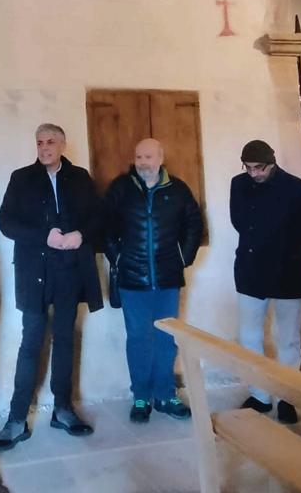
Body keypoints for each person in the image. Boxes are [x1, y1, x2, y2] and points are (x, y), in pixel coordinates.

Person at [0, 124, 104, 451]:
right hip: (35, 273)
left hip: (70, 272)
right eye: (39, 142)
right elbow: (7, 222)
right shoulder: (21, 178)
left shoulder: (81, 178)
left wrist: (81, 235)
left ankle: (63, 410)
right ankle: (15, 420)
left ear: (63, 144)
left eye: (51, 141)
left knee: (66, 340)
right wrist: (45, 236)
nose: (44, 147)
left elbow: (99, 218)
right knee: (31, 342)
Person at [104, 138, 204, 423]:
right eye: (139, 157)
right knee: (138, 339)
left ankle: (166, 394)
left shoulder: (178, 189)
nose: (143, 162)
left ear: (161, 158)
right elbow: (105, 225)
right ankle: (140, 397)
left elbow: (194, 225)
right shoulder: (121, 189)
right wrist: (119, 258)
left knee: (166, 338)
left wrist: (183, 259)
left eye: (148, 157)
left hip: (167, 278)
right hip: (132, 279)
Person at [231, 139, 301, 423]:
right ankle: (259, 394)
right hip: (251, 268)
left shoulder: (294, 187)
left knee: (289, 339)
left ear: (272, 163)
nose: (253, 173)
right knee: (249, 336)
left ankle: (287, 398)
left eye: (259, 168)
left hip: (287, 270)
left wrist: (283, 249)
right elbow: (239, 221)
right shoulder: (239, 184)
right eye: (248, 167)